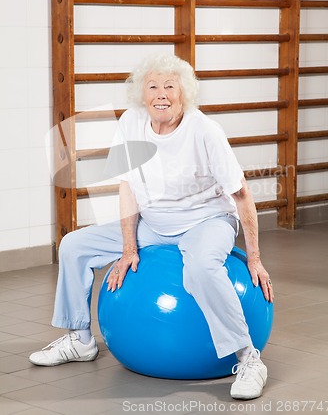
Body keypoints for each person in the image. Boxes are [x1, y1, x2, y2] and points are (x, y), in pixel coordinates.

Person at [29, 54, 274, 400]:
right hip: (154, 222)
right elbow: (127, 187)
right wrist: (129, 247)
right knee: (73, 245)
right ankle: (80, 339)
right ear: (142, 94)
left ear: (184, 93)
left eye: (170, 86)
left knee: (201, 268)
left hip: (207, 220)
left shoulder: (205, 131)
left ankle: (249, 359)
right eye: (153, 86)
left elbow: (243, 195)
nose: (161, 94)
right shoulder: (131, 121)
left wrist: (254, 258)